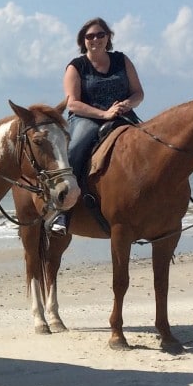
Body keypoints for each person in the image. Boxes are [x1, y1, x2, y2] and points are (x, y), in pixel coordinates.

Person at [49, 16, 144, 235]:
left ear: (108, 37)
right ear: (83, 41)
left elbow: (138, 92)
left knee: (154, 146)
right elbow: (72, 103)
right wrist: (104, 113)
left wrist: (126, 104)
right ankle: (62, 210)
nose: (95, 39)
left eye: (100, 34)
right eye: (90, 36)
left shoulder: (121, 60)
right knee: (74, 151)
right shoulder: (77, 66)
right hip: (87, 118)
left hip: (123, 115)